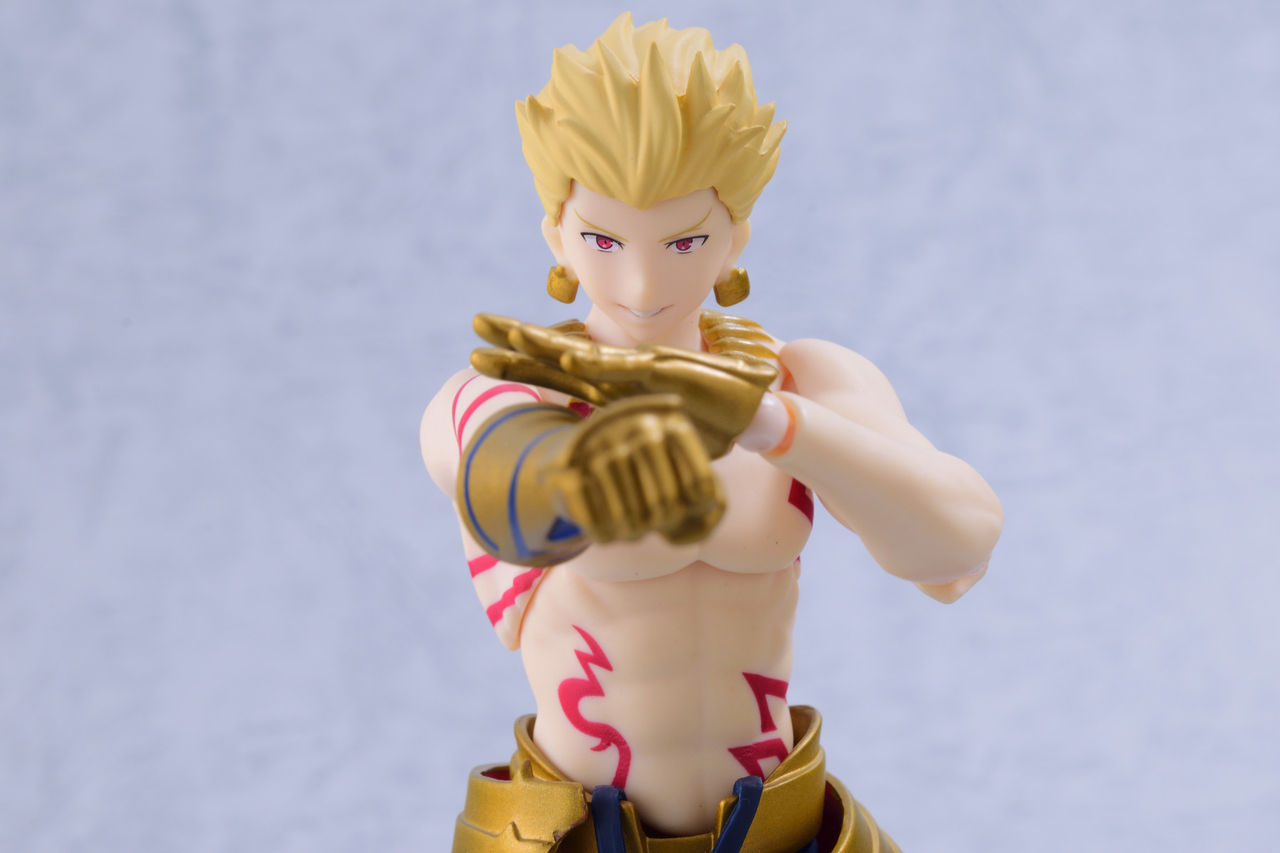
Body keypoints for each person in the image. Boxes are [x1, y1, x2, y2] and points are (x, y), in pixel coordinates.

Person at [421, 14, 1003, 852]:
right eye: (603, 238)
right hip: (573, 830)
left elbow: (959, 547)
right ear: (558, 237)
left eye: (685, 239)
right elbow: (503, 482)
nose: (642, 282)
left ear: (736, 240)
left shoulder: (802, 380)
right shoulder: (505, 394)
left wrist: (775, 426)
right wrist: (588, 474)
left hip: (780, 825)